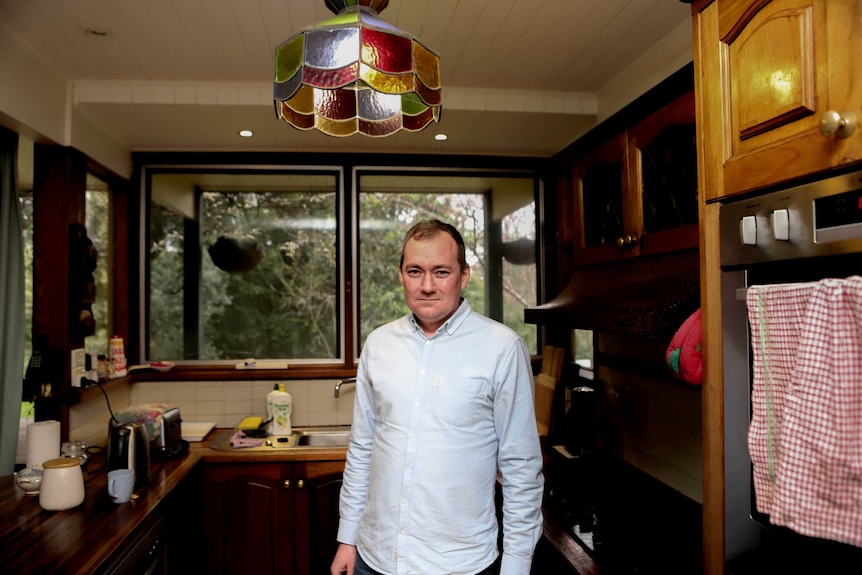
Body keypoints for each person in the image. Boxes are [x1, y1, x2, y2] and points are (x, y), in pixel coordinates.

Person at [331, 219, 544, 575]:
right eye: (415, 271)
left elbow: (520, 468)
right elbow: (363, 447)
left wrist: (517, 565)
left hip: (461, 564)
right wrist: (347, 538)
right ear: (401, 274)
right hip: (374, 557)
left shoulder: (503, 349)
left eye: (441, 271)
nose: (427, 285)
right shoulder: (379, 344)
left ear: (463, 275)